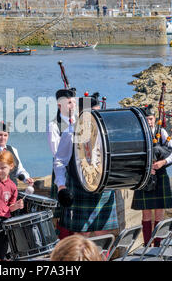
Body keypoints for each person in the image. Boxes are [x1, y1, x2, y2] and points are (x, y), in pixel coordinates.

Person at [53, 91, 119, 238]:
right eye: (92, 113)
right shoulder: (71, 132)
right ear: (82, 113)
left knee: (105, 234)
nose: (96, 117)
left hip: (104, 188)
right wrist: (62, 187)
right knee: (82, 234)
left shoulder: (108, 133)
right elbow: (60, 161)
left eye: (98, 112)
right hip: (79, 187)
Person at [131, 104, 172, 247]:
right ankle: (147, 245)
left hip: (160, 175)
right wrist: (146, 168)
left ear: (155, 119)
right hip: (144, 177)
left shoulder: (161, 132)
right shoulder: (137, 133)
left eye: (151, 119)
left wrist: (163, 162)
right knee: (146, 214)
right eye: (146, 119)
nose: (149, 122)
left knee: (159, 213)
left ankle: (158, 245)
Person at [47, 87, 77, 239]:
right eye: (69, 103)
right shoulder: (54, 126)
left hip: (80, 173)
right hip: (63, 172)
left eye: (73, 102)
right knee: (64, 215)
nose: (72, 106)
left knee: (78, 216)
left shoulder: (80, 122)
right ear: (60, 105)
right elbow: (57, 153)